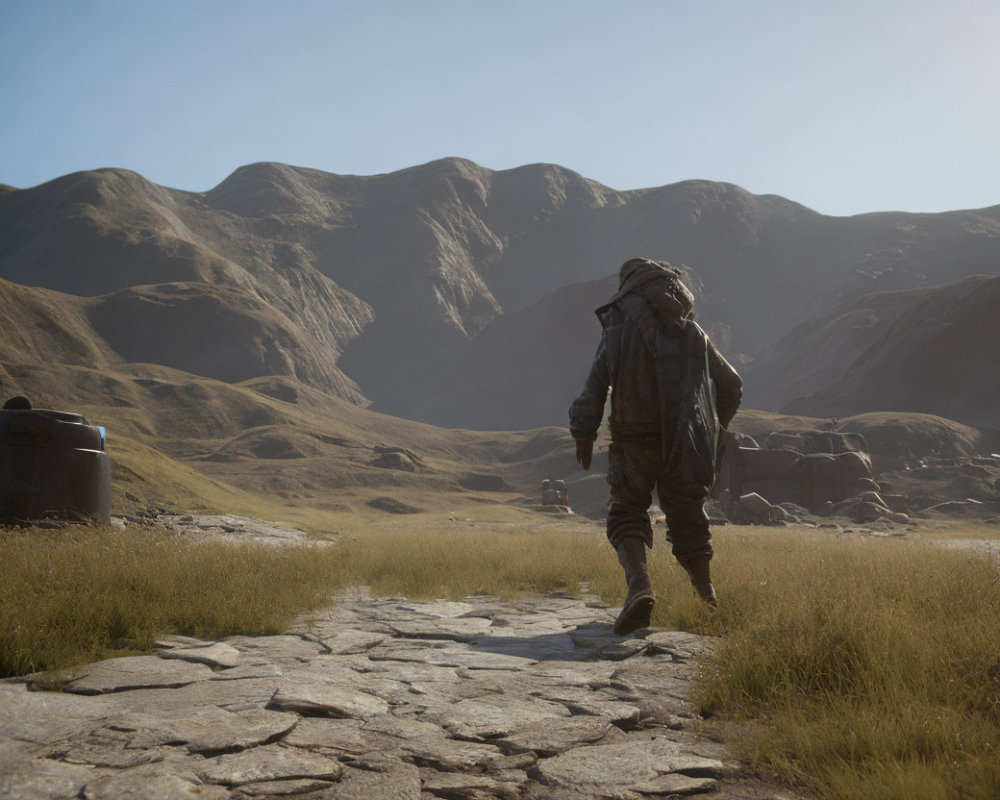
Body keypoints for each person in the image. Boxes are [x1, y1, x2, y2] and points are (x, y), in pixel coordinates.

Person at [569, 258, 742, 635]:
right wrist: (713, 431)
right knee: (689, 520)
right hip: (686, 447)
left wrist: (584, 431)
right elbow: (732, 384)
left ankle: (640, 590)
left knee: (626, 512)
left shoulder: (617, 330)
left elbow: (595, 384)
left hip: (633, 443)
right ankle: (708, 600)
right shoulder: (694, 334)